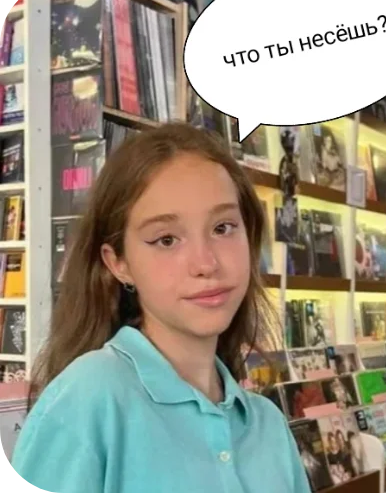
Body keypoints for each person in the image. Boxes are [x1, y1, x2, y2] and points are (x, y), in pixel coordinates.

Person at [11, 123, 312, 493]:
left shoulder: (268, 425)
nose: (206, 263)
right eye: (166, 239)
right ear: (118, 262)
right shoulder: (87, 400)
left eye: (223, 228)